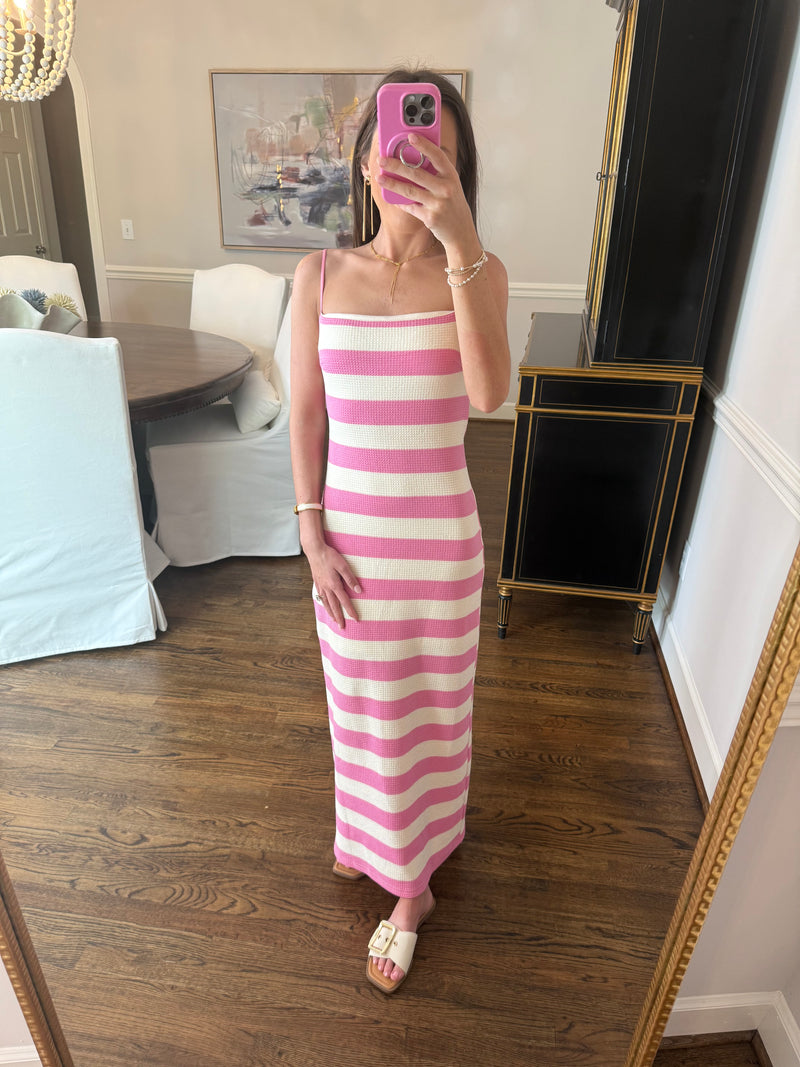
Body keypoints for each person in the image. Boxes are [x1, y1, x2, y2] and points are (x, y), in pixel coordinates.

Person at [289, 67, 510, 994]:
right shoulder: (318, 274)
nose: (412, 163)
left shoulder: (480, 272)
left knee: (427, 718)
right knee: (361, 715)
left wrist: (460, 243)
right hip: (350, 552)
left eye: (436, 154)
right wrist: (311, 535)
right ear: (366, 162)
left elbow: (488, 395)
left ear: (459, 172)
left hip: (438, 554)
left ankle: (412, 890)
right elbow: (308, 414)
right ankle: (368, 837)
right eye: (398, 145)